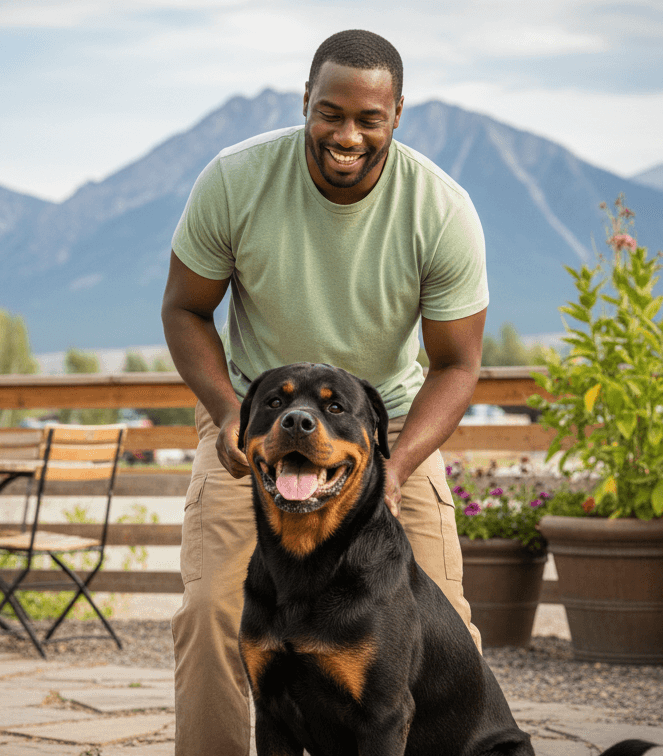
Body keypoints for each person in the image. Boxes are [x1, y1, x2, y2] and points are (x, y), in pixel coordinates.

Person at [160, 28, 488, 755]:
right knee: (211, 614)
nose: (347, 136)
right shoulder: (236, 179)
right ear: (306, 100)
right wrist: (227, 413)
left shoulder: (440, 207)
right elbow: (184, 310)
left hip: (388, 431)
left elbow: (456, 365)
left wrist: (394, 467)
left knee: (449, 629)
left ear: (397, 114)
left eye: (369, 119)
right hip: (255, 423)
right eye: (330, 113)